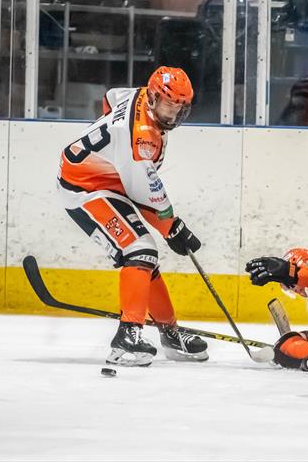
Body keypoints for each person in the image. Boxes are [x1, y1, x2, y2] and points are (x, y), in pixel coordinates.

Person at [57, 66, 207, 367]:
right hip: (85, 189)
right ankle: (127, 337)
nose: (174, 114)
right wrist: (173, 227)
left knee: (144, 259)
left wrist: (110, 150)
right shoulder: (142, 139)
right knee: (139, 250)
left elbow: (110, 98)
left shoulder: (136, 95)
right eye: (169, 105)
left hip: (107, 183)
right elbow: (147, 194)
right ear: (152, 98)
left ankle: (169, 332)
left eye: (181, 107)